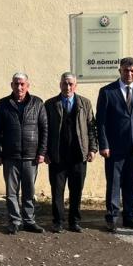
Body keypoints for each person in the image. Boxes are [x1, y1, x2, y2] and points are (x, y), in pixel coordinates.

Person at [97, 57, 133, 232]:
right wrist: (103, 145)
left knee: (131, 183)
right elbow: (101, 122)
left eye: (132, 71)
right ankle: (112, 218)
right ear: (119, 70)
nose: (129, 73)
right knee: (114, 183)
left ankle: (129, 217)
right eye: (126, 70)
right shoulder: (107, 91)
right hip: (114, 147)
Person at [0, 72, 49, 234]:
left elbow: (44, 129)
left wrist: (42, 152)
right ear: (11, 85)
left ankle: (29, 221)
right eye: (16, 84)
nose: (19, 87)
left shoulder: (37, 103)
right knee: (11, 193)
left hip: (31, 156)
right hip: (10, 156)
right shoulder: (3, 104)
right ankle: (14, 221)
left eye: (22, 84)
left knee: (29, 191)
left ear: (27, 86)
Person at [45, 72, 98, 233]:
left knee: (76, 190)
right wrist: (45, 151)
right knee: (57, 191)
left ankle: (74, 221)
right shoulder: (50, 104)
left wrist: (93, 148)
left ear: (75, 86)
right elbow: (44, 130)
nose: (67, 87)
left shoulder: (85, 103)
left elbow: (91, 128)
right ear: (60, 84)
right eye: (64, 83)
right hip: (57, 156)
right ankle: (58, 222)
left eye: (70, 84)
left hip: (78, 155)